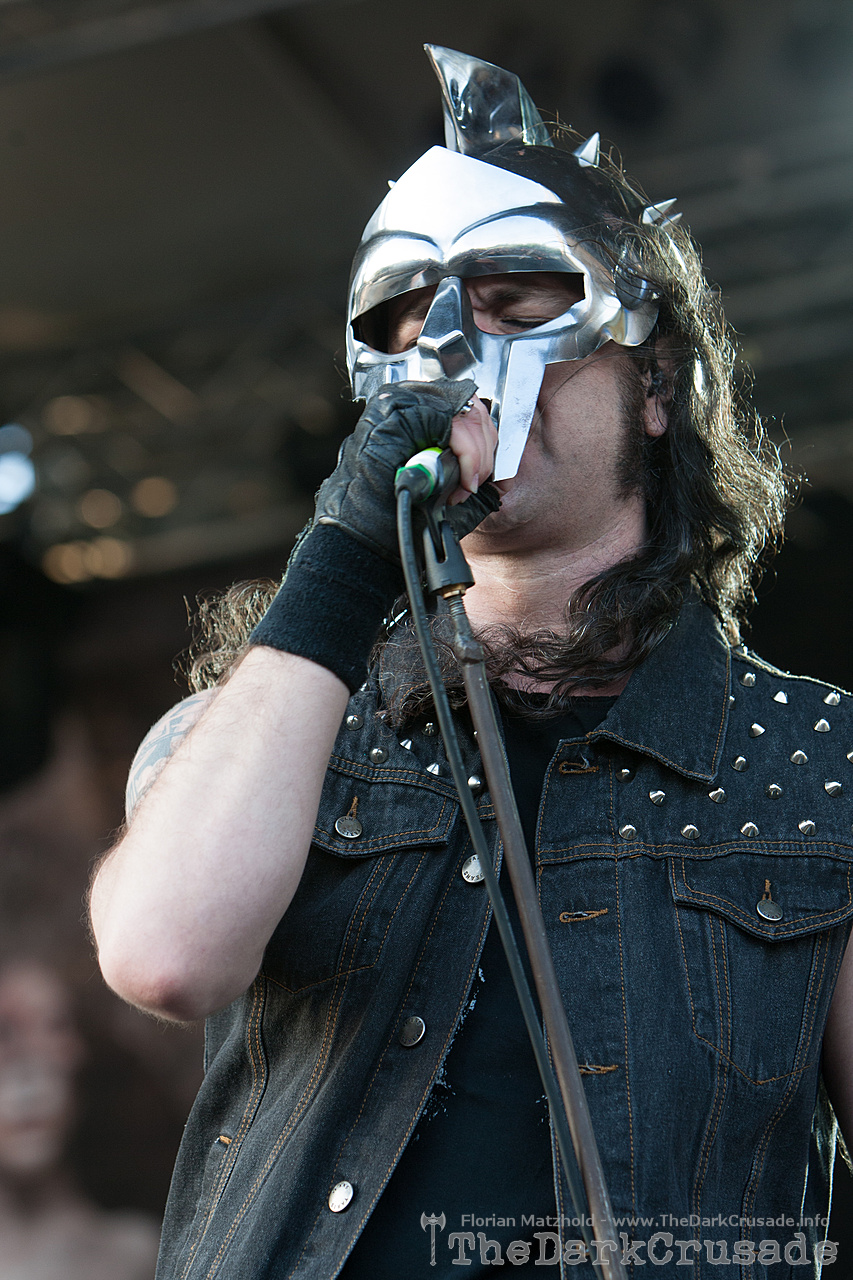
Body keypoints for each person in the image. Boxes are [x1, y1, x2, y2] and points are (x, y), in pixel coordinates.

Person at [89, 45, 853, 1279]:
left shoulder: (816, 767)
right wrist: (345, 555)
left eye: (515, 301)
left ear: (654, 382)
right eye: (406, 317)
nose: (450, 348)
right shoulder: (260, 732)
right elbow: (166, 954)